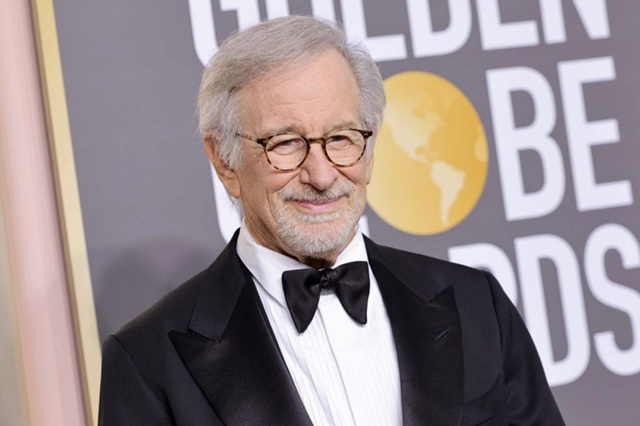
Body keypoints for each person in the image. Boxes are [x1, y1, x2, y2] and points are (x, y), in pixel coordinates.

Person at [99, 15, 564, 426]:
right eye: (285, 143)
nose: (321, 176)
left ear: (370, 146)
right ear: (224, 159)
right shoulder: (148, 364)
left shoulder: (476, 303)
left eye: (341, 138)